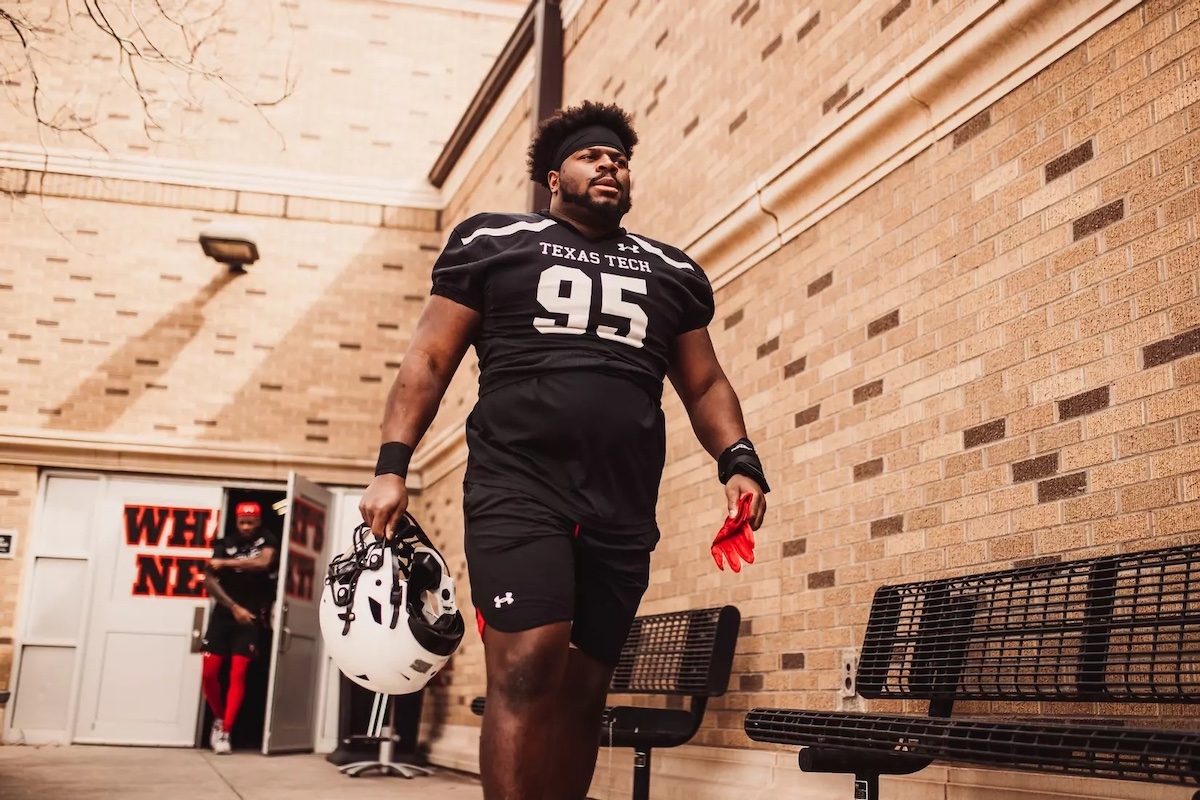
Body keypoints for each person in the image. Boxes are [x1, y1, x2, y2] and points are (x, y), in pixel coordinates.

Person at [359, 100, 769, 799]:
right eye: (592, 156)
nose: (611, 164)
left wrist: (739, 460)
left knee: (583, 693)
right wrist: (392, 467)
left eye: (619, 158)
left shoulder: (670, 270)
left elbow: (703, 382)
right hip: (517, 487)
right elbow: (429, 358)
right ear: (555, 176)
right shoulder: (493, 240)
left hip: (621, 503)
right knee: (525, 668)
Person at [200, 500, 278, 755]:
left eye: (251, 522)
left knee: (238, 674)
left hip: (251, 618)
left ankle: (227, 731)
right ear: (236, 520)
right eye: (242, 522)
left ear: (258, 522)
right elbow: (209, 581)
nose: (246, 527)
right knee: (209, 674)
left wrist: (226, 564)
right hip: (225, 615)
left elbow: (263, 563)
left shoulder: (266, 539)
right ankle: (219, 719)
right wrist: (233, 607)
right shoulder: (224, 542)